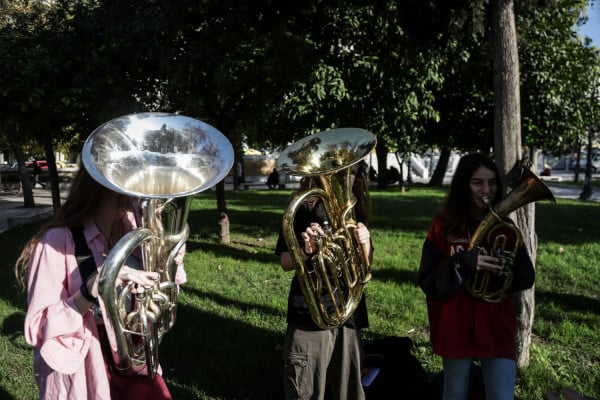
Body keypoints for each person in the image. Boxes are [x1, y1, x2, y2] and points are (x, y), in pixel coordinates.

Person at [15, 163, 186, 400]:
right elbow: (37, 329)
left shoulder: (135, 231)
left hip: (137, 361)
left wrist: (169, 264)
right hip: (87, 370)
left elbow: (162, 299)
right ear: (105, 183)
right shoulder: (56, 240)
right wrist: (89, 291)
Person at [417, 152, 535, 400]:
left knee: (502, 396)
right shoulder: (443, 225)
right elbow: (427, 279)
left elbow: (526, 278)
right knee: (454, 393)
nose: (487, 189)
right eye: (477, 182)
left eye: (492, 182)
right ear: (463, 185)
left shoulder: (505, 227)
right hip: (455, 323)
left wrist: (510, 266)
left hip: (496, 323)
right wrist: (463, 262)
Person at [275, 161, 373, 400]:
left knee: (349, 391)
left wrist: (365, 242)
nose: (342, 179)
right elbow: (285, 262)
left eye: (349, 174)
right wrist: (305, 251)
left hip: (348, 314)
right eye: (335, 173)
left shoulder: (353, 210)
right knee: (305, 391)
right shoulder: (301, 209)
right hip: (310, 312)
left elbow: (365, 266)